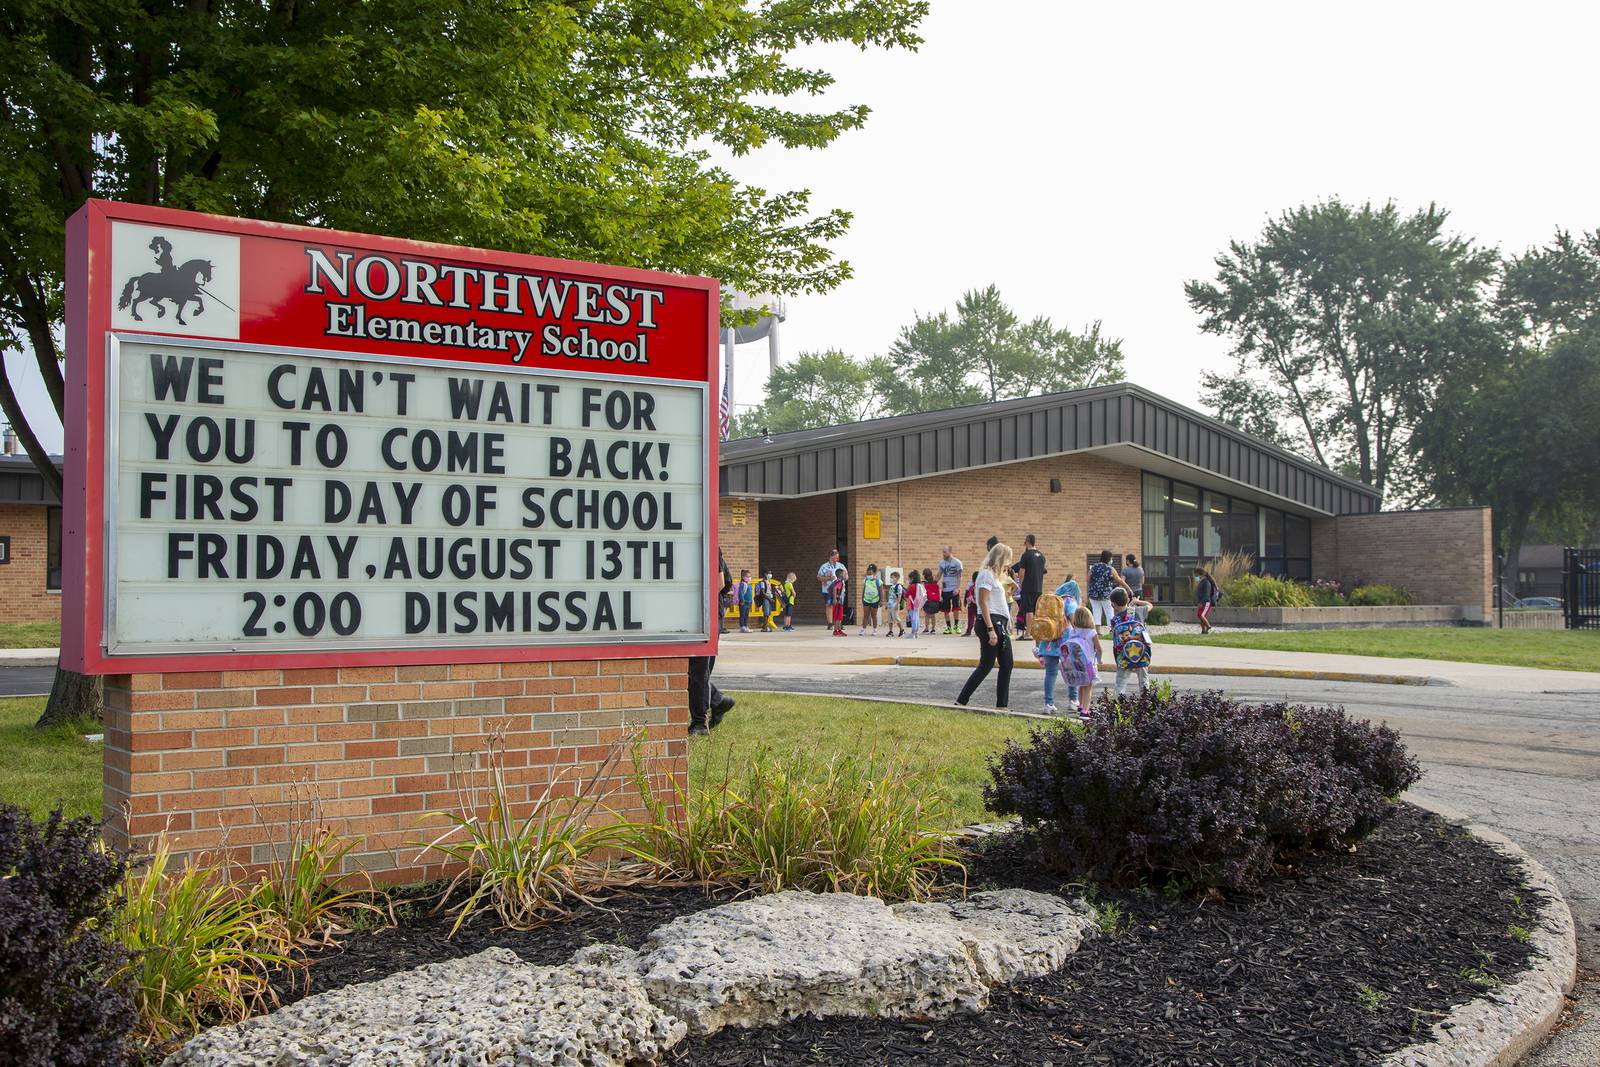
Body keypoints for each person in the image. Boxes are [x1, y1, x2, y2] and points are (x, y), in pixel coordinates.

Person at [956, 542, 1015, 710]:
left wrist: (1007, 622)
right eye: (1007, 560)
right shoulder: (986, 575)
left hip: (999, 623)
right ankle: (962, 700)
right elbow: (982, 602)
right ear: (1000, 559)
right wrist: (991, 630)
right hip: (991, 622)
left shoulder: (995, 577)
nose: (1008, 564)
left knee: (1007, 663)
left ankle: (1002, 705)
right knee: (986, 665)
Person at [688, 550, 736, 735]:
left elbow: (719, 582)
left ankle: (700, 723)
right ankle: (717, 701)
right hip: (698, 613)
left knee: (698, 668)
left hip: (708, 613)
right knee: (692, 668)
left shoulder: (709, 544)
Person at [1109, 587, 1152, 696]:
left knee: (1121, 683)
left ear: (1113, 604)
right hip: (1141, 654)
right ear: (1127, 600)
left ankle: (1117, 704)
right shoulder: (1139, 611)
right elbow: (1150, 605)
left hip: (1124, 657)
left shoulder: (1115, 620)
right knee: (1144, 682)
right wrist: (1137, 602)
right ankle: (1146, 702)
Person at [1060, 605, 1100, 721]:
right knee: (1088, 687)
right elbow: (1099, 648)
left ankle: (1081, 706)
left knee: (1081, 685)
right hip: (1089, 664)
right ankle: (1085, 711)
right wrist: (1100, 658)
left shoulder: (1073, 632)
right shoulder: (1092, 633)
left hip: (1077, 664)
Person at [1011, 534, 1048, 636]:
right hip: (1038, 587)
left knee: (1029, 610)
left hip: (1028, 587)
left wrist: (1021, 585)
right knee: (1036, 610)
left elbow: (1021, 572)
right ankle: (1036, 631)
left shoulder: (1026, 555)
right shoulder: (1041, 556)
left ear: (1027, 542)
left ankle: (1028, 634)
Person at [1033, 617, 1064, 715]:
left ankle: (1048, 704)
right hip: (1063, 639)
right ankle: (1073, 700)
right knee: (1070, 671)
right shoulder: (1067, 603)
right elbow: (1072, 620)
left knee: (1050, 673)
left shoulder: (1044, 601)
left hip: (1047, 638)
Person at [1087, 550, 1118, 630]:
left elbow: (1088, 579)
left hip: (1093, 594)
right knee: (1109, 611)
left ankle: (1097, 631)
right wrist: (1128, 589)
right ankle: (1112, 629)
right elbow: (1118, 579)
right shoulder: (1110, 568)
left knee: (1096, 611)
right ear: (1109, 558)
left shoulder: (1093, 567)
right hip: (1106, 594)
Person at [938, 546, 964, 634]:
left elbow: (959, 576)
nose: (943, 554)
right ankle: (948, 627)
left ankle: (956, 626)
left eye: (945, 552)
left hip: (954, 589)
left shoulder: (957, 563)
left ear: (950, 552)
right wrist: (932, 583)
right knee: (946, 609)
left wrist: (957, 588)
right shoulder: (942, 563)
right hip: (945, 589)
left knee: (956, 608)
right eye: (943, 552)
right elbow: (939, 575)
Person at [816, 549, 842, 627]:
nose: (836, 559)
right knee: (829, 605)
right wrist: (828, 578)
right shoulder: (824, 566)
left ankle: (838, 623)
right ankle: (830, 623)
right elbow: (819, 577)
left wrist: (842, 578)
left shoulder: (840, 566)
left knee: (839, 605)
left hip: (839, 589)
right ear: (830, 557)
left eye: (837, 558)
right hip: (827, 589)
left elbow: (846, 576)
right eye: (834, 558)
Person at [1194, 566, 1221, 634]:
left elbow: (1206, 594)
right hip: (1201, 602)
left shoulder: (1206, 583)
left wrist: (1202, 603)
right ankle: (1204, 631)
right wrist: (1198, 602)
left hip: (1206, 602)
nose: (1195, 577)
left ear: (1201, 574)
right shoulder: (1201, 582)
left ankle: (1209, 627)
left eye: (1196, 575)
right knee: (1200, 616)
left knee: (1201, 615)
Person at [858, 564, 883, 636]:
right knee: (865, 615)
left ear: (875, 573)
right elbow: (864, 590)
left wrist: (881, 600)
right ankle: (863, 629)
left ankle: (875, 630)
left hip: (875, 600)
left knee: (873, 615)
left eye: (870, 574)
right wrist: (862, 598)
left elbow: (881, 592)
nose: (869, 575)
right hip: (866, 600)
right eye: (868, 574)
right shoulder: (865, 580)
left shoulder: (879, 581)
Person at [903, 572, 925, 639]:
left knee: (913, 619)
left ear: (912, 579)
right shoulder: (919, 585)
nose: (908, 580)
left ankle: (913, 633)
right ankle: (916, 633)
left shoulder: (911, 586)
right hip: (917, 605)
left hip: (912, 605)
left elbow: (906, 595)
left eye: (909, 578)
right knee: (916, 618)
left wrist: (904, 591)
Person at [884, 569, 906, 637]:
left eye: (892, 577)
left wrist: (897, 604)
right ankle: (890, 631)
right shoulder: (891, 587)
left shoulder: (898, 586)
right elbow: (890, 596)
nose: (891, 579)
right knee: (890, 619)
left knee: (896, 618)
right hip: (890, 605)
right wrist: (887, 604)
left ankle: (902, 630)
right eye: (891, 577)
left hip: (895, 605)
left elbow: (899, 595)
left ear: (897, 578)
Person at [829, 565, 849, 636]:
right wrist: (834, 599)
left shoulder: (841, 581)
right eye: (843, 574)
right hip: (837, 601)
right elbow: (835, 589)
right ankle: (835, 630)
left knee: (840, 616)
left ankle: (839, 630)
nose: (845, 575)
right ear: (840, 575)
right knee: (837, 616)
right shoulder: (839, 582)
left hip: (840, 601)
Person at [921, 568, 941, 634]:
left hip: (929, 601)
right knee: (933, 615)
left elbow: (923, 594)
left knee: (927, 615)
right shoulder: (936, 584)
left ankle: (926, 629)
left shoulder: (925, 584)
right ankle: (933, 629)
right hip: (936, 602)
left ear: (924, 576)